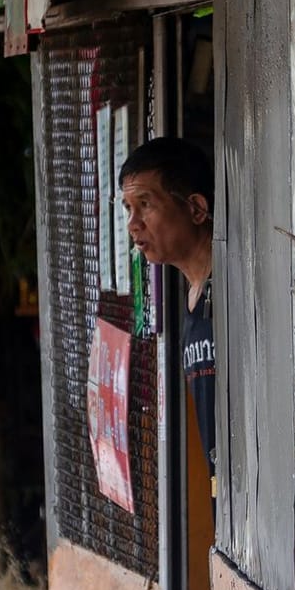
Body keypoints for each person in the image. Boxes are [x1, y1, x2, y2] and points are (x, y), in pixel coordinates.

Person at [119, 137, 216, 477]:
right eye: (128, 208)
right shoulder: (190, 300)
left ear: (196, 209)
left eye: (145, 204)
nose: (133, 224)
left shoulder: (232, 287)